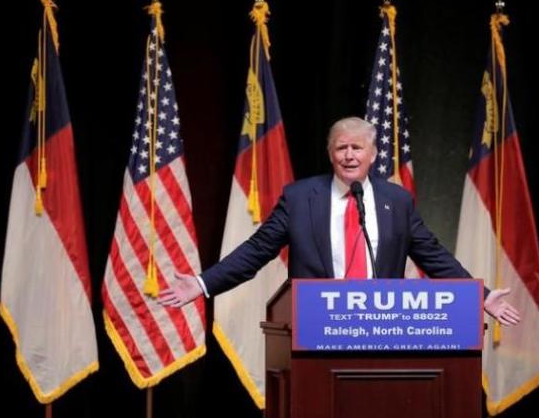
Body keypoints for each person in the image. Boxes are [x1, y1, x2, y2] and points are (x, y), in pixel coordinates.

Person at [159, 117, 520, 326]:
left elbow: (434, 256)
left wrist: (482, 298)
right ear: (330, 154)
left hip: (382, 329)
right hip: (316, 327)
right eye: (341, 148)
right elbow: (257, 251)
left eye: (357, 148)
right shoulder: (300, 198)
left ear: (373, 154)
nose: (349, 155)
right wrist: (203, 284)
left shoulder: (397, 200)